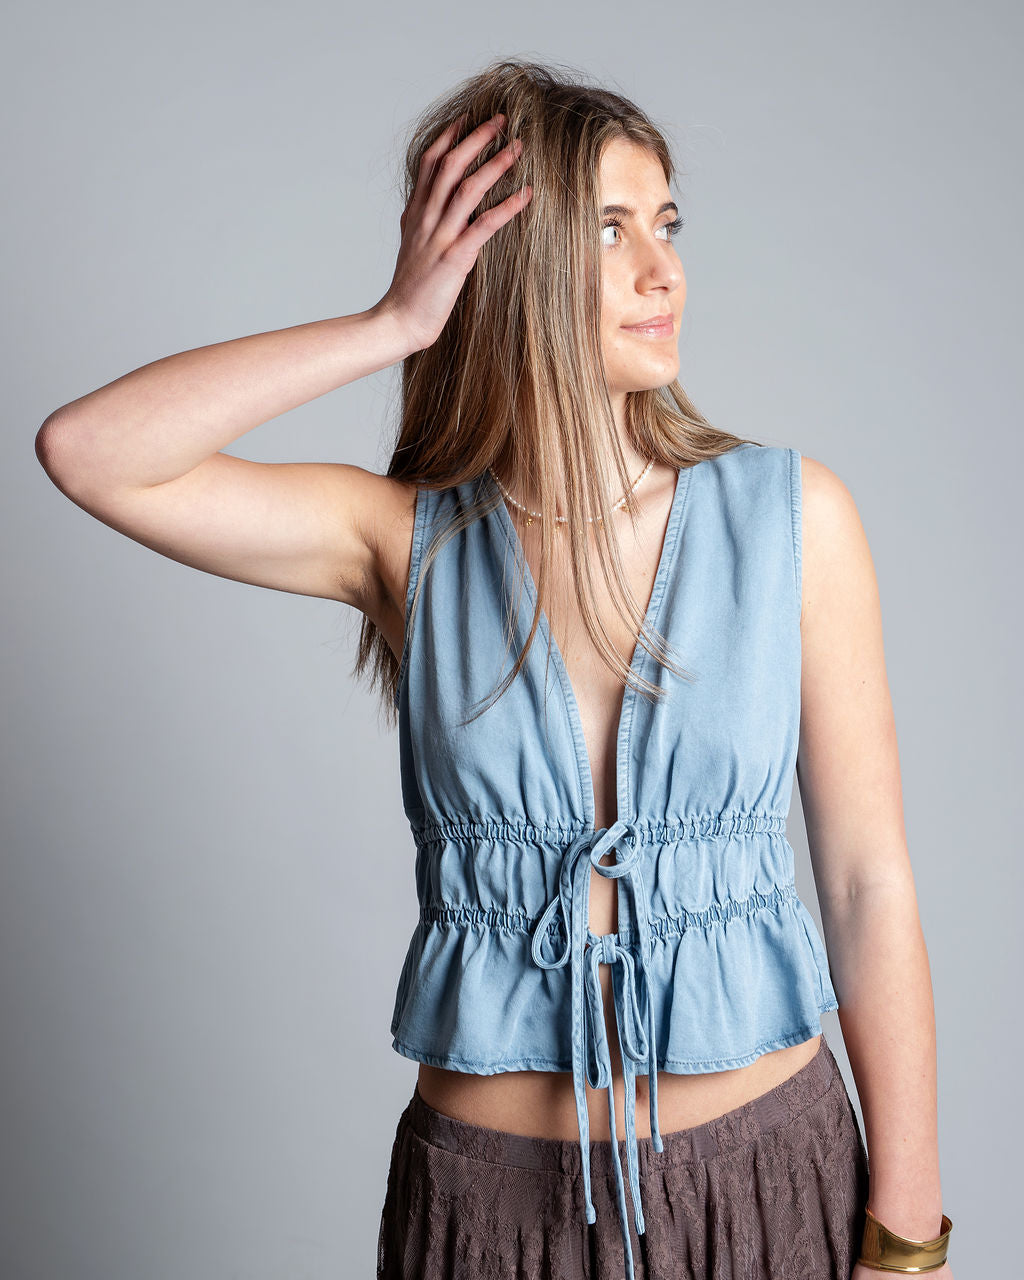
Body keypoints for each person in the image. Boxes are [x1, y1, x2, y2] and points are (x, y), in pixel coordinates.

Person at [36, 57, 953, 1280]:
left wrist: (908, 1235)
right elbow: (90, 451)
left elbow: (865, 883)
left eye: (667, 223)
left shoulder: (792, 519)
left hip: (764, 1179)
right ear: (507, 261)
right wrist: (391, 325)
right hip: (488, 1209)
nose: (662, 270)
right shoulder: (402, 542)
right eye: (610, 229)